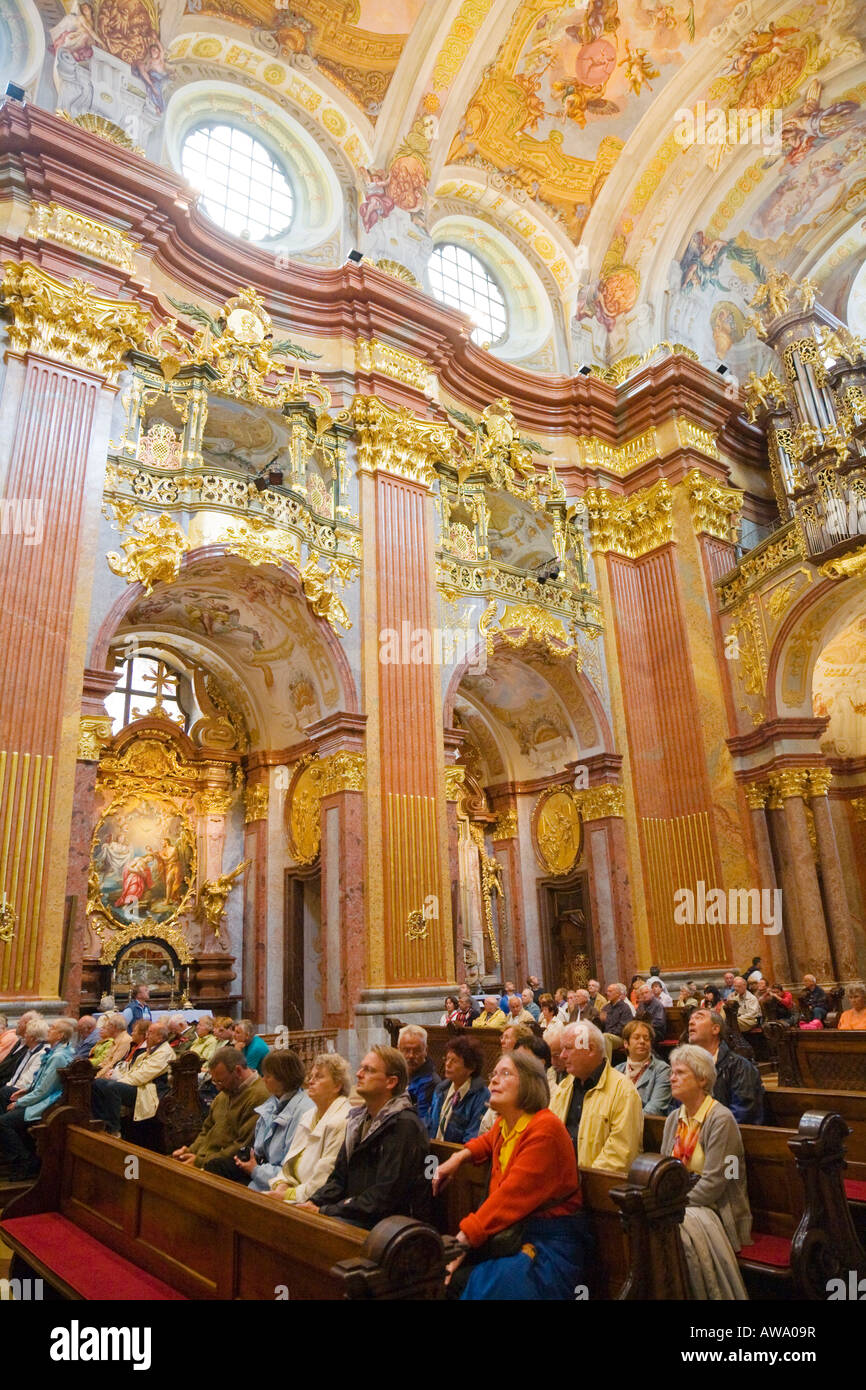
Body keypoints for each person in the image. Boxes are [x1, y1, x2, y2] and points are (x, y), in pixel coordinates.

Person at [432, 1050, 586, 1300]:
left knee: (476, 1284)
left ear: (530, 1083)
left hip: (549, 1245)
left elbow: (511, 1195)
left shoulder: (545, 1128)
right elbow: (487, 1141)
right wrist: (459, 1157)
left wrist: (462, 1242)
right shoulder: (507, 1123)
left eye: (505, 1074)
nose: (493, 1080)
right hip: (513, 1233)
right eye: (494, 1074)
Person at [296, 1046, 431, 1230]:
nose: (358, 1074)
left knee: (311, 1229)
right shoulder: (358, 1121)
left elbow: (384, 1197)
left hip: (390, 1226)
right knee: (297, 1217)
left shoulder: (404, 1125)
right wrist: (314, 1202)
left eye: (369, 1070)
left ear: (391, 1082)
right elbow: (338, 1179)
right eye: (361, 1068)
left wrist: (326, 1210)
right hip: (358, 1213)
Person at [662, 1045, 751, 1299]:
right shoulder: (673, 1120)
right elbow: (665, 1172)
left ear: (702, 1079)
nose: (672, 1077)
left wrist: (671, 1207)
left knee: (669, 1229)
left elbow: (715, 1183)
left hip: (717, 1210)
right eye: (672, 1072)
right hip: (683, 1206)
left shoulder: (720, 1119)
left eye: (680, 1072)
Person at [550, 1021, 642, 1173]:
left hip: (597, 1187)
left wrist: (581, 1182)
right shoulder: (564, 1088)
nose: (562, 1055)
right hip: (560, 1181)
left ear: (591, 1049)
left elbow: (620, 1154)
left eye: (568, 1048)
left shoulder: (623, 1091)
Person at [268, 1053, 353, 1203]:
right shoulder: (308, 1115)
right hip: (294, 1193)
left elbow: (324, 1181)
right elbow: (290, 1163)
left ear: (337, 1085)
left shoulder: (342, 1120)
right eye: (311, 1076)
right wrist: (281, 1183)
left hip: (317, 1202)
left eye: (319, 1077)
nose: (311, 1081)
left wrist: (287, 1195)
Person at [0, 1018, 76, 1178]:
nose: (48, 1029)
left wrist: (20, 1102)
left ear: (60, 1035)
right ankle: (15, 1156)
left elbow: (44, 1090)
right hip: (41, 1097)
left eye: (53, 1028)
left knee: (4, 1122)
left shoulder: (58, 1057)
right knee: (6, 1095)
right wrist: (25, 1091)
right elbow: (40, 1081)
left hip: (47, 1104)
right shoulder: (55, 1052)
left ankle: (24, 1161)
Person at [172, 1046, 268, 1172]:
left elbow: (242, 1145)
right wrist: (189, 1151)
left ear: (238, 1071)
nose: (218, 1088)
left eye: (221, 1082)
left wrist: (199, 1161)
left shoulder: (259, 1096)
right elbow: (206, 1130)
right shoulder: (225, 1093)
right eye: (214, 1082)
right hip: (204, 1160)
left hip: (224, 1169)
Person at [230, 1049, 314, 1192]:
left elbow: (290, 1170)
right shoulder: (273, 1102)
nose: (263, 1080)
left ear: (283, 1078)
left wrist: (255, 1170)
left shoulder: (304, 1111)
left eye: (268, 1076)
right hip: (261, 1173)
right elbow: (260, 1147)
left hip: (278, 1184)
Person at [92, 1021, 175, 1133]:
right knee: (97, 1083)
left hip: (150, 1090)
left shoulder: (164, 1052)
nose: (147, 1036)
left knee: (112, 1087)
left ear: (159, 1038)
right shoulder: (150, 1050)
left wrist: (120, 1082)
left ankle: (113, 1129)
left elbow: (142, 1076)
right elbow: (133, 1070)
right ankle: (100, 1121)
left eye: (150, 1033)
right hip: (139, 1086)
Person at [687, 1008, 765, 1124]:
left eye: (699, 1017)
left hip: (727, 1136)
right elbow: (677, 1107)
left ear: (715, 1029)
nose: (691, 1022)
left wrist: (704, 1131)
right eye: (691, 1019)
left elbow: (742, 1113)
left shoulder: (739, 1066)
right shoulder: (686, 1067)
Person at [427, 1035, 489, 1143]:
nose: (447, 1064)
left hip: (457, 1154)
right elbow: (430, 1125)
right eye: (447, 1059)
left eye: (454, 1061)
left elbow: (472, 1137)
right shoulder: (441, 1089)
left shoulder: (481, 1096)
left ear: (470, 1068)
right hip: (434, 1151)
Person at [615, 1019, 673, 1114]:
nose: (642, 1041)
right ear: (626, 1043)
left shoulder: (662, 1070)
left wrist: (623, 1122)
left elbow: (655, 1109)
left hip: (646, 1125)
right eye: (636, 1037)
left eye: (646, 1038)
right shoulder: (617, 1070)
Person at [398, 1024, 440, 1128]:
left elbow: (422, 1124)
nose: (411, 1056)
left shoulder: (431, 1082)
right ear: (398, 1050)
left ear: (425, 1050)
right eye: (406, 1050)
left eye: (416, 1051)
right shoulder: (395, 1074)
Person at [0, 1016, 49, 1105]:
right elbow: (17, 1072)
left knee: (4, 1091)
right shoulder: (28, 1050)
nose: (24, 1036)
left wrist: (10, 1087)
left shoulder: (41, 1053)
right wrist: (9, 1084)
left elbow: (27, 1080)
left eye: (26, 1033)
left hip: (22, 1090)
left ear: (32, 1038)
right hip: (12, 1085)